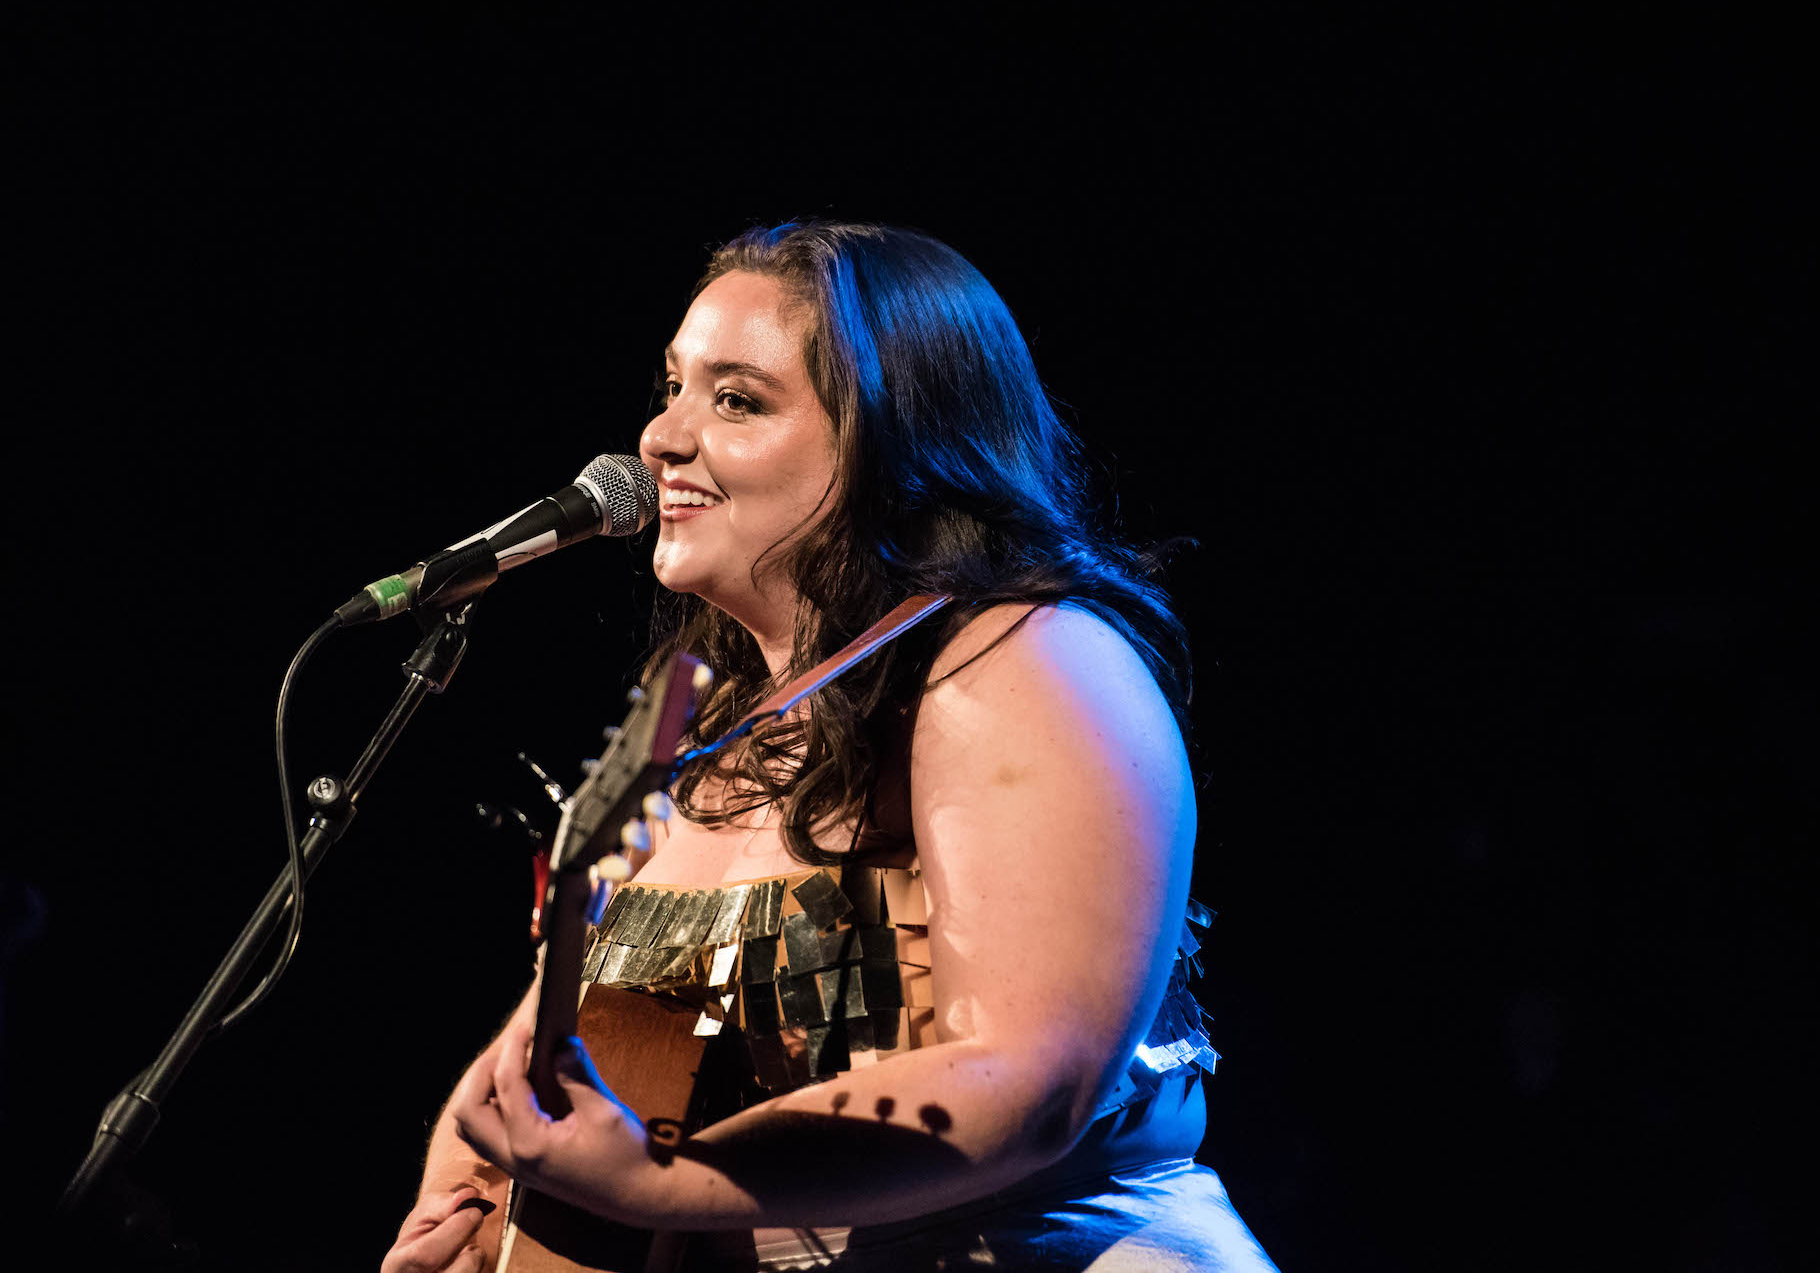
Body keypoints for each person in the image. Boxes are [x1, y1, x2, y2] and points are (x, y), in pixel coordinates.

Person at [382, 221, 1278, 1271]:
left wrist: (658, 1180)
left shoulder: (1021, 658)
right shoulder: (712, 736)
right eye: (671, 387)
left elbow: (1033, 1075)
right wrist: (487, 1193)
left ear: (894, 439)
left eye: (735, 400)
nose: (660, 438)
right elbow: (606, 1058)